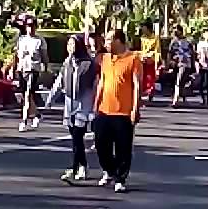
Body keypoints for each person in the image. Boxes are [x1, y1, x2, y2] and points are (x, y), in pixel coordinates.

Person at [93, 29, 143, 193]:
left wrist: (135, 108)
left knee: (123, 148)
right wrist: (96, 104)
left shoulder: (133, 59)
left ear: (118, 41)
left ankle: (120, 178)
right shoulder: (106, 59)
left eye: (108, 40)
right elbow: (102, 81)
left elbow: (137, 85)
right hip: (104, 110)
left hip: (123, 112)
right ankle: (109, 170)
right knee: (101, 144)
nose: (105, 43)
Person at [50, 35, 97, 183]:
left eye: (73, 44)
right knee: (76, 140)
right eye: (69, 44)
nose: (70, 47)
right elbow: (60, 81)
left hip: (83, 106)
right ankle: (80, 166)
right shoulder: (67, 63)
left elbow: (95, 87)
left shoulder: (89, 64)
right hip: (69, 105)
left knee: (77, 137)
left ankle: (77, 167)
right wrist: (50, 98)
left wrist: (92, 109)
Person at [16, 16, 48, 132]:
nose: (30, 28)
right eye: (28, 26)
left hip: (33, 69)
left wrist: (45, 67)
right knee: (26, 96)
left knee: (28, 93)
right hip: (22, 69)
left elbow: (44, 55)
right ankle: (36, 115)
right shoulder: (21, 40)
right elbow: (17, 55)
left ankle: (24, 120)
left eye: (32, 26)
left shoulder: (39, 40)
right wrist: (14, 68)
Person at [168, 26, 194, 108]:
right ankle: (180, 98)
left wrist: (193, 66)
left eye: (177, 30)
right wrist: (169, 63)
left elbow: (192, 54)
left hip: (184, 64)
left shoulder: (187, 42)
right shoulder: (173, 42)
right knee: (176, 82)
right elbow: (170, 53)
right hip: (175, 64)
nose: (175, 32)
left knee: (180, 81)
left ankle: (176, 100)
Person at [139, 21, 160, 100]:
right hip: (144, 59)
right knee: (143, 77)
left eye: (144, 28)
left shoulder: (155, 38)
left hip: (151, 59)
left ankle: (150, 93)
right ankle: (142, 92)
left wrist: (156, 62)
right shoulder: (142, 38)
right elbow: (142, 49)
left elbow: (157, 50)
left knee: (150, 77)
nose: (143, 29)